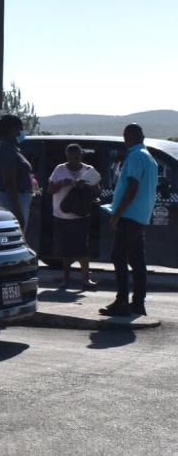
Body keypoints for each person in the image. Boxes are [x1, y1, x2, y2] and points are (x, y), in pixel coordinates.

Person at [100, 124, 158, 317]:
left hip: (129, 215)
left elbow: (132, 187)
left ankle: (122, 301)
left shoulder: (134, 156)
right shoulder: (149, 157)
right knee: (137, 260)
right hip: (140, 215)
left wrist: (117, 215)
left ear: (127, 137)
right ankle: (138, 303)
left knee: (118, 256)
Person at [47, 143, 100, 290]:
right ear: (66, 157)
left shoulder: (88, 170)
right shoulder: (59, 169)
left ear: (81, 156)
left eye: (76, 157)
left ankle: (85, 279)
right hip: (62, 215)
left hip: (82, 214)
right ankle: (66, 279)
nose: (73, 161)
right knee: (66, 250)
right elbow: (50, 189)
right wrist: (62, 183)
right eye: (70, 158)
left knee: (82, 248)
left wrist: (86, 185)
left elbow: (97, 191)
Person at [0, 114, 32, 234]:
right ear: (13, 130)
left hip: (18, 199)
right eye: (21, 128)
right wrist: (17, 213)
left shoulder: (12, 148)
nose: (23, 131)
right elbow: (9, 183)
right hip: (9, 201)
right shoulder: (6, 150)